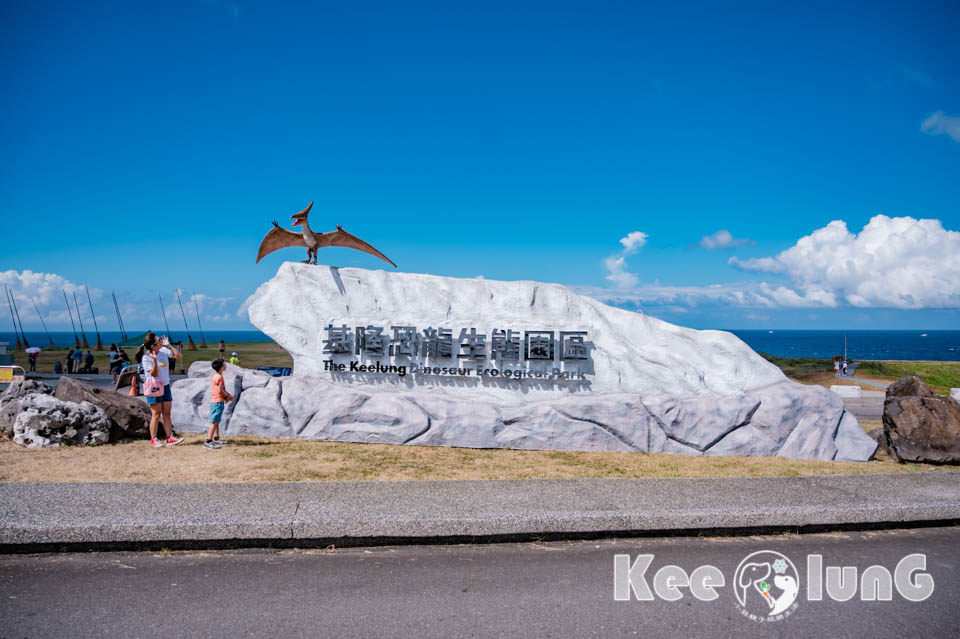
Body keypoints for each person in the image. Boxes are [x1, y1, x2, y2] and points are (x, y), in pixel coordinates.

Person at [142, 334, 183, 448]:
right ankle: (154, 439)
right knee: (156, 414)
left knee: (167, 413)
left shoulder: (164, 350)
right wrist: (155, 360)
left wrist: (169, 346)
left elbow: (179, 356)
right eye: (158, 340)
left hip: (165, 386)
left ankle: (170, 438)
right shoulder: (146, 358)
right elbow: (153, 374)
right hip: (154, 387)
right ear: (153, 345)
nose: (161, 341)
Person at [206, 358, 234, 449]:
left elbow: (222, 390)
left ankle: (216, 438)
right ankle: (208, 441)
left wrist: (228, 395)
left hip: (218, 401)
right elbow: (220, 390)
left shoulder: (217, 376)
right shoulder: (219, 377)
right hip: (217, 402)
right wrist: (226, 397)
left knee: (217, 421)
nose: (225, 365)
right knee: (214, 422)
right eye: (224, 364)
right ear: (221, 367)